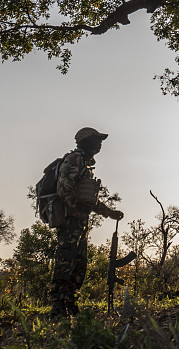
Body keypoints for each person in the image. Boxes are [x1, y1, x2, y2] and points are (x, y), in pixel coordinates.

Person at [50, 127, 124, 318]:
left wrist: (109, 213)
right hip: (69, 221)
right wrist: (73, 211)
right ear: (86, 141)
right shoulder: (75, 159)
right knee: (65, 262)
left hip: (80, 222)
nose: (99, 144)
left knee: (80, 264)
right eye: (96, 140)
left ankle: (71, 302)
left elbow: (89, 199)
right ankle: (57, 307)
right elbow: (64, 187)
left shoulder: (86, 164)